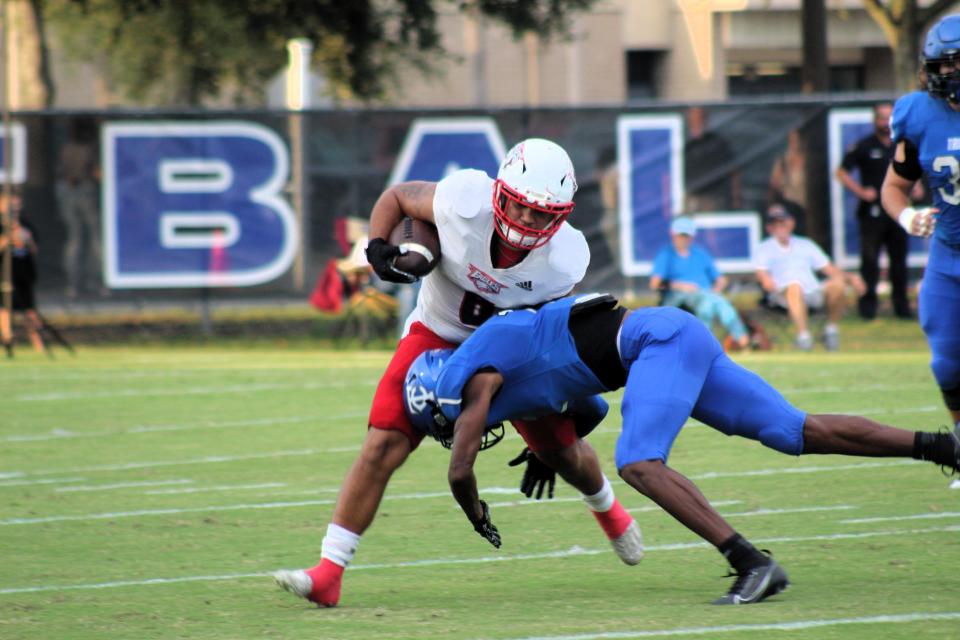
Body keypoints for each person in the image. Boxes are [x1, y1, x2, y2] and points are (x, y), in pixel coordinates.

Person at [405, 294, 960, 605]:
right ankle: (943, 445)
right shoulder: (499, 372)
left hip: (657, 344)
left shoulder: (471, 380)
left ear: (439, 393)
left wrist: (475, 511)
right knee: (795, 431)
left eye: (437, 419)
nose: (447, 427)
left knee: (639, 464)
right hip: (672, 335)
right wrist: (547, 450)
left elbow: (460, 470)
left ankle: (751, 563)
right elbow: (588, 408)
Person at [274, 138, 613, 607]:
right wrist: (377, 248)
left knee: (560, 450)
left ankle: (610, 512)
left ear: (562, 215)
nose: (530, 222)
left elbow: (549, 339)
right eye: (521, 207)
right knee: (383, 441)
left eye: (543, 214)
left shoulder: (564, 258)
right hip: (436, 328)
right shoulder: (464, 199)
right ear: (500, 192)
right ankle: (329, 572)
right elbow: (396, 198)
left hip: (508, 348)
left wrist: (560, 410)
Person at [881, 14, 960, 450]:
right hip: (948, 254)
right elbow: (893, 187)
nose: (954, 73)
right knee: (948, 364)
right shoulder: (918, 114)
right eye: (946, 64)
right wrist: (907, 217)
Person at [835, 102, 917, 319]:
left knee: (899, 261)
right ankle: (868, 308)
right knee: (870, 260)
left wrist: (916, 187)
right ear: (875, 120)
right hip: (872, 213)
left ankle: (902, 308)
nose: (885, 122)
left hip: (898, 211)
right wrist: (861, 191)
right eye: (881, 117)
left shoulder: (901, 145)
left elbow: (913, 170)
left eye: (888, 117)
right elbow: (841, 172)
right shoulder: (863, 145)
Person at [755, 204, 865, 351]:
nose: (780, 226)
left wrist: (852, 278)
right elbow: (763, 276)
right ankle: (803, 336)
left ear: (791, 223)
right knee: (794, 286)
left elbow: (829, 269)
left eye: (783, 222)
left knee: (838, 284)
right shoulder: (764, 248)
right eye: (775, 223)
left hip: (812, 291)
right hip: (783, 294)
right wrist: (768, 283)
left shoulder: (806, 244)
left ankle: (831, 330)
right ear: (769, 228)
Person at [650, 216, 750, 351]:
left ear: (691, 237)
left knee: (716, 302)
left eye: (686, 236)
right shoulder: (666, 254)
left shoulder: (700, 254)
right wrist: (681, 286)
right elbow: (655, 284)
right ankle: (733, 341)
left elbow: (720, 279)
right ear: (673, 235)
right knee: (710, 302)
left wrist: (717, 288)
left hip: (706, 294)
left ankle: (737, 342)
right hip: (678, 296)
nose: (683, 239)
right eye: (680, 235)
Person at [56, 116, 102, 299]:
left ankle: (73, 285)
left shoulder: (67, 148)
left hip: (66, 190)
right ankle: (93, 282)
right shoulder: (90, 148)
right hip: (84, 190)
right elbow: (97, 173)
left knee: (76, 238)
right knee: (93, 237)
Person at [0, 190, 44, 356]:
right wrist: (6, 238)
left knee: (29, 310)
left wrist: (26, 239)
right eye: (10, 204)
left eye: (17, 204)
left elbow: (34, 249)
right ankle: (7, 341)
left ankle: (39, 345)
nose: (14, 208)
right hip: (4, 274)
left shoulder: (26, 225)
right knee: (4, 309)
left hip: (23, 273)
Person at [684, 106, 741, 213]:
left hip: (713, 198)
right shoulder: (683, 144)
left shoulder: (717, 143)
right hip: (690, 197)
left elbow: (734, 170)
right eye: (692, 121)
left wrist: (736, 198)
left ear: (705, 121)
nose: (696, 124)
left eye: (699, 120)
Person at [768, 128, 808, 222]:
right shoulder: (782, 162)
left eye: (797, 140)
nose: (795, 144)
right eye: (791, 141)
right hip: (789, 211)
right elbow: (774, 185)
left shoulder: (809, 161)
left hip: (807, 211)